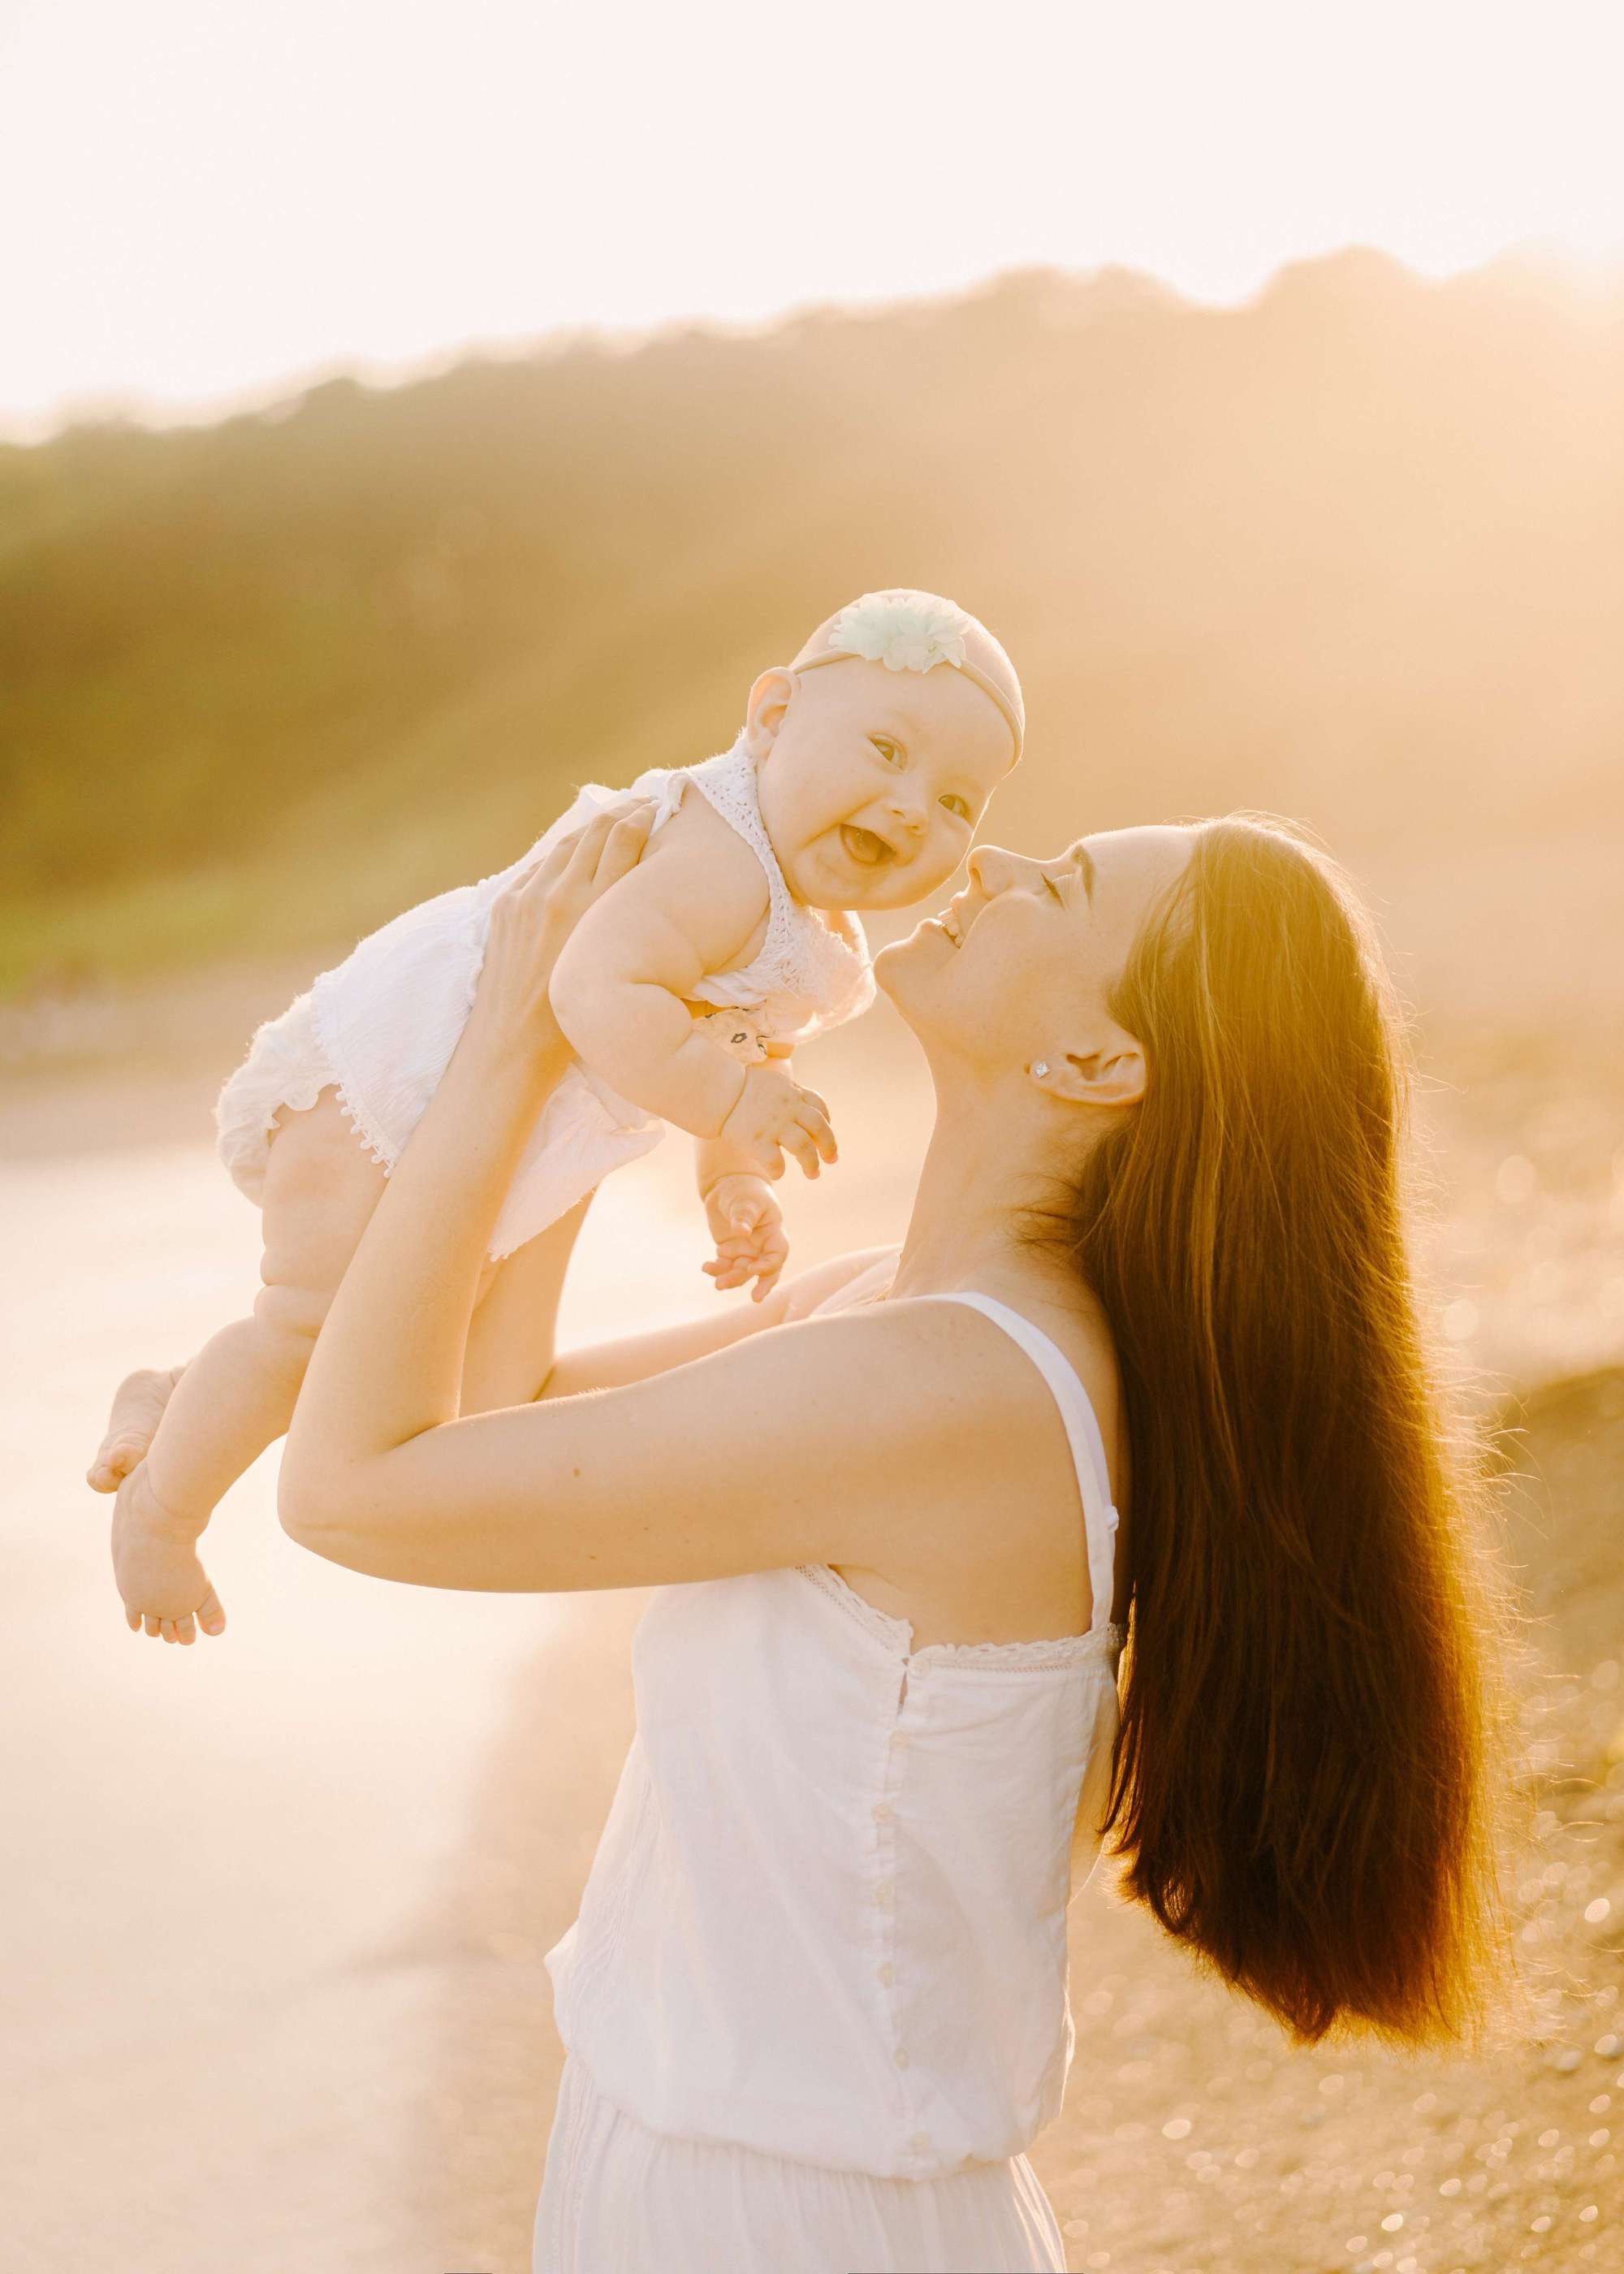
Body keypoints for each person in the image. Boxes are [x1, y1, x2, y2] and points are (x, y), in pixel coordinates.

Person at [98, 801, 1519, 2272]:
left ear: (1096, 1064)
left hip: (800, 2219)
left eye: (1065, 885)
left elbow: (356, 1488)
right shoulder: (880, 1313)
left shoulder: (956, 1385)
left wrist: (511, 1049)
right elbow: (488, 1401)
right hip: (690, 2166)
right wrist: (606, 1050)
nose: (1000, 863)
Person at [87, 590, 1024, 1645]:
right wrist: (728, 1099)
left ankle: (180, 1400)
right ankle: (162, 1513)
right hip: (399, 1073)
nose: (911, 805)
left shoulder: (813, 930)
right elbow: (590, 989)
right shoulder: (723, 854)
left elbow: (742, 1041)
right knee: (314, 1315)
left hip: (505, 1126)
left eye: (957, 803)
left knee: (416, 1369)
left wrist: (731, 1176)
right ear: (770, 717)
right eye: (887, 749)